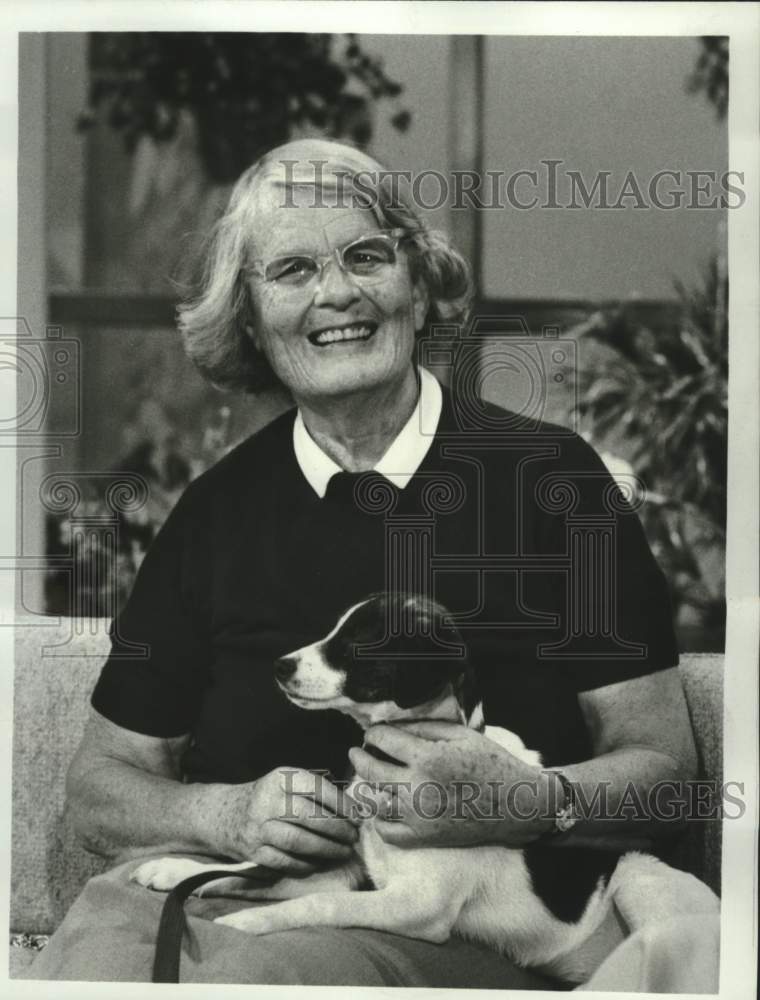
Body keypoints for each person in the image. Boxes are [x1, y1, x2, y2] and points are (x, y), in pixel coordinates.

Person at [24, 139, 717, 988]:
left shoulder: (554, 483)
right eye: (293, 270)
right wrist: (226, 814)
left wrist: (530, 801)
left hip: (449, 930)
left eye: (366, 256)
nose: (338, 293)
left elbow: (666, 775)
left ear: (418, 288)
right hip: (229, 900)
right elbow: (99, 786)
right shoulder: (215, 513)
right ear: (248, 318)